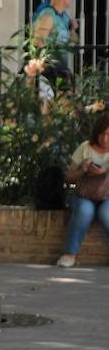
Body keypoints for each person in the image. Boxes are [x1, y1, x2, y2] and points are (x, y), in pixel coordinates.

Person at [57, 112, 109, 268]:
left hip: (107, 197)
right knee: (85, 211)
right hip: (83, 195)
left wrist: (105, 173)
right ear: (96, 132)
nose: (105, 139)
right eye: (102, 134)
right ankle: (69, 254)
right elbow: (68, 177)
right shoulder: (85, 148)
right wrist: (83, 170)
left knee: (106, 213)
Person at [32, 0, 81, 90]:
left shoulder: (63, 16)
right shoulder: (47, 15)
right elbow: (37, 42)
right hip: (49, 70)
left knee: (66, 103)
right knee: (54, 104)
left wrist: (73, 29)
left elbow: (74, 41)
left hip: (60, 68)